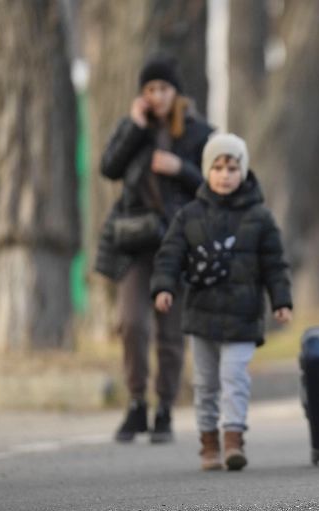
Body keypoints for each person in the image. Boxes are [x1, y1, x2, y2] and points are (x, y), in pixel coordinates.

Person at [150, 133, 293, 471]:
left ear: (242, 171)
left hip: (243, 315)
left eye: (232, 167)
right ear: (206, 171)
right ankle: (208, 443)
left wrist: (281, 300)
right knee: (206, 382)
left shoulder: (259, 217)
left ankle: (233, 439)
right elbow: (170, 255)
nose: (225, 174)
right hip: (201, 314)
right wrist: (164, 287)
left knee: (234, 377)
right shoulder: (189, 216)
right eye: (217, 167)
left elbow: (275, 263)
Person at [96, 54, 213, 444]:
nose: (157, 96)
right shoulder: (134, 128)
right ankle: (135, 404)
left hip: (176, 243)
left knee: (169, 330)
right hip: (134, 242)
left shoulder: (198, 133)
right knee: (131, 322)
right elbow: (109, 168)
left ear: (175, 91)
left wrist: (180, 168)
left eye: (163, 89)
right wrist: (134, 126)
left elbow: (217, 186)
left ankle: (163, 407)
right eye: (150, 90)